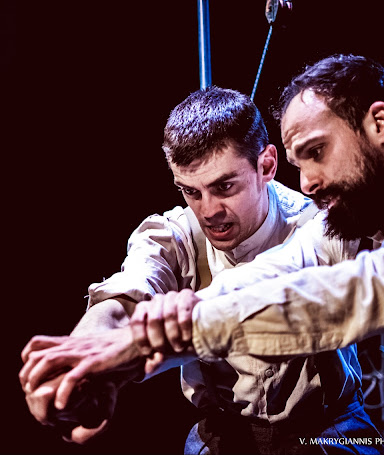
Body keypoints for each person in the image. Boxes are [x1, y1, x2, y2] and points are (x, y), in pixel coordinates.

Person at [21, 54, 384, 454]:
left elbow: (330, 295)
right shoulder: (176, 233)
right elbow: (132, 293)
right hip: (224, 432)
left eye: (316, 152)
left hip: (329, 428)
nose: (208, 210)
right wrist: (84, 364)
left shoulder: (319, 218)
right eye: (191, 192)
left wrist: (148, 341)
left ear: (265, 166)